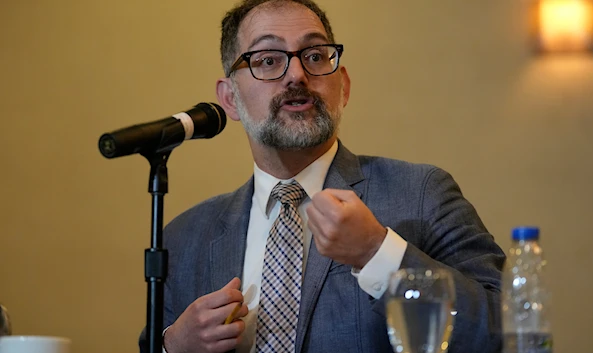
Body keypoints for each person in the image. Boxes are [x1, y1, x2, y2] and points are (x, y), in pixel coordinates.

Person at [138, 0, 506, 352]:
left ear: (342, 86)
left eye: (315, 56)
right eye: (268, 60)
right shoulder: (185, 239)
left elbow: (504, 333)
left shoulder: (422, 195)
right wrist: (173, 347)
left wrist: (376, 253)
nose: (297, 74)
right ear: (230, 98)